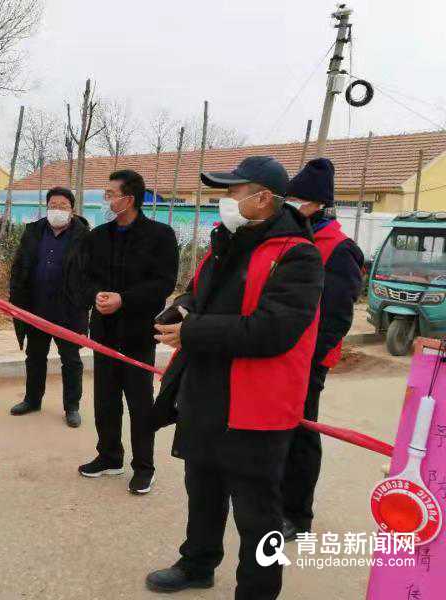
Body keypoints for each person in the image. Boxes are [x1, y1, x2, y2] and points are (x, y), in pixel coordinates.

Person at [146, 156, 324, 599]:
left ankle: (258, 591)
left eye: (232, 191)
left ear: (262, 198)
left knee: (258, 512)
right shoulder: (225, 241)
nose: (224, 200)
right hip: (206, 391)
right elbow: (199, 293)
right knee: (202, 491)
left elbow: (273, 330)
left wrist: (193, 331)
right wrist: (180, 310)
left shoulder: (298, 255)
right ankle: (197, 563)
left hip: (257, 405)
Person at [77, 170, 179, 494]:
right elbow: (84, 277)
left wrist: (124, 299)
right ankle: (109, 456)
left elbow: (163, 283)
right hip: (104, 332)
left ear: (129, 199)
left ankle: (144, 467)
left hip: (137, 334)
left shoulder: (160, 236)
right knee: (105, 400)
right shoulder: (97, 237)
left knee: (139, 402)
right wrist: (96, 295)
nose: (106, 199)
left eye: (111, 194)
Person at [281, 158, 365, 541]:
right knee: (275, 428)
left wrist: (307, 360)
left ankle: (298, 515)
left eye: (296, 199)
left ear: (317, 204)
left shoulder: (340, 249)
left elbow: (336, 318)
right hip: (278, 352)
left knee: (301, 431)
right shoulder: (290, 237)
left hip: (308, 360)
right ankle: (273, 497)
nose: (290, 205)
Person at [8, 187, 90, 427]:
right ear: (47, 207)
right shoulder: (33, 232)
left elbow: (91, 274)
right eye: (53, 205)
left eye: (63, 206)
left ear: (72, 210)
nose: (57, 210)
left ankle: (72, 407)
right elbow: (19, 266)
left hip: (68, 311)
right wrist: (16, 298)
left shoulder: (84, 237)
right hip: (36, 308)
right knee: (34, 357)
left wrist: (83, 301)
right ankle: (32, 400)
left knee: (71, 360)